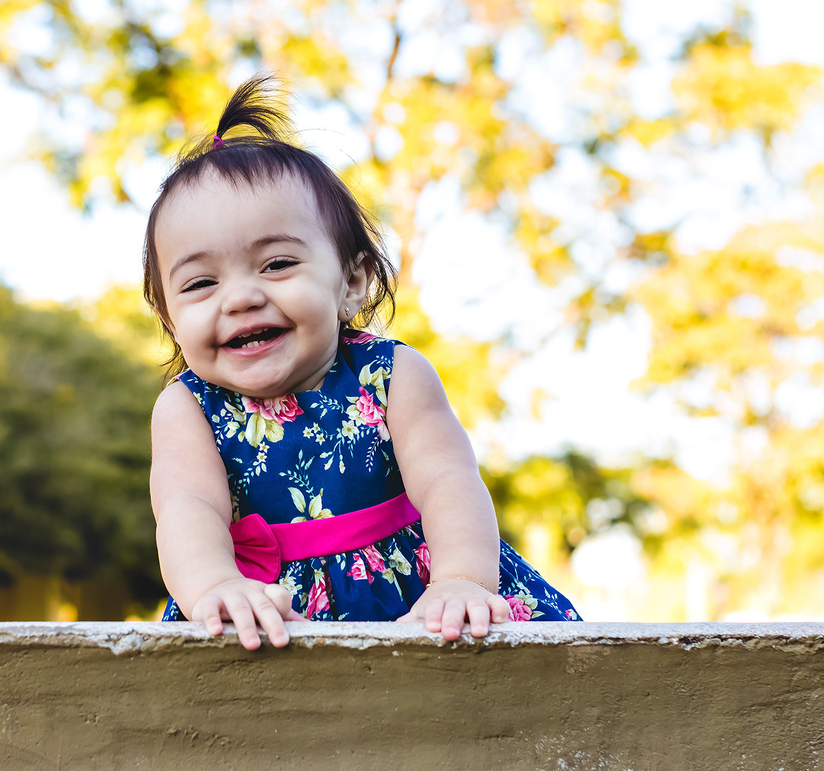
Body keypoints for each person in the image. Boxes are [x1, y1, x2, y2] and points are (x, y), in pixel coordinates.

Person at [144, 76, 580, 650]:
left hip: (414, 605)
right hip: (270, 621)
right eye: (200, 282)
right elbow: (187, 509)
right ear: (172, 318)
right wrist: (216, 586)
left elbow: (448, 478)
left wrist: (460, 579)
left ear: (351, 283)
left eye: (276, 264)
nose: (241, 297)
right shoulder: (187, 409)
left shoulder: (391, 375)